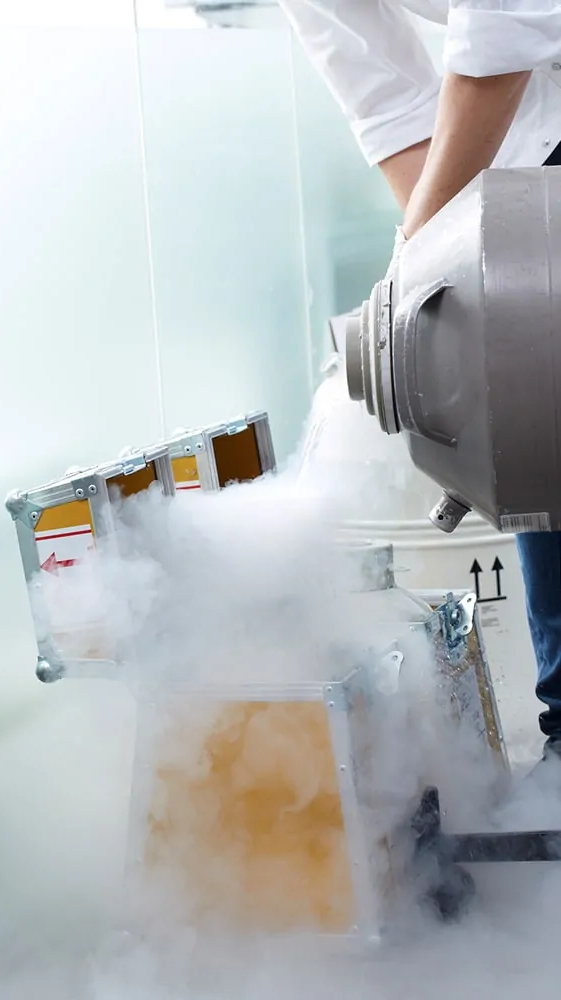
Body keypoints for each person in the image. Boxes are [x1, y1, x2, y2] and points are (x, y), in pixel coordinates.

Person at [278, 0, 561, 764]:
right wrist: (437, 282)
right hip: (533, 142)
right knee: (532, 409)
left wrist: (410, 259)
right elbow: (394, 106)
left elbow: (505, 24)